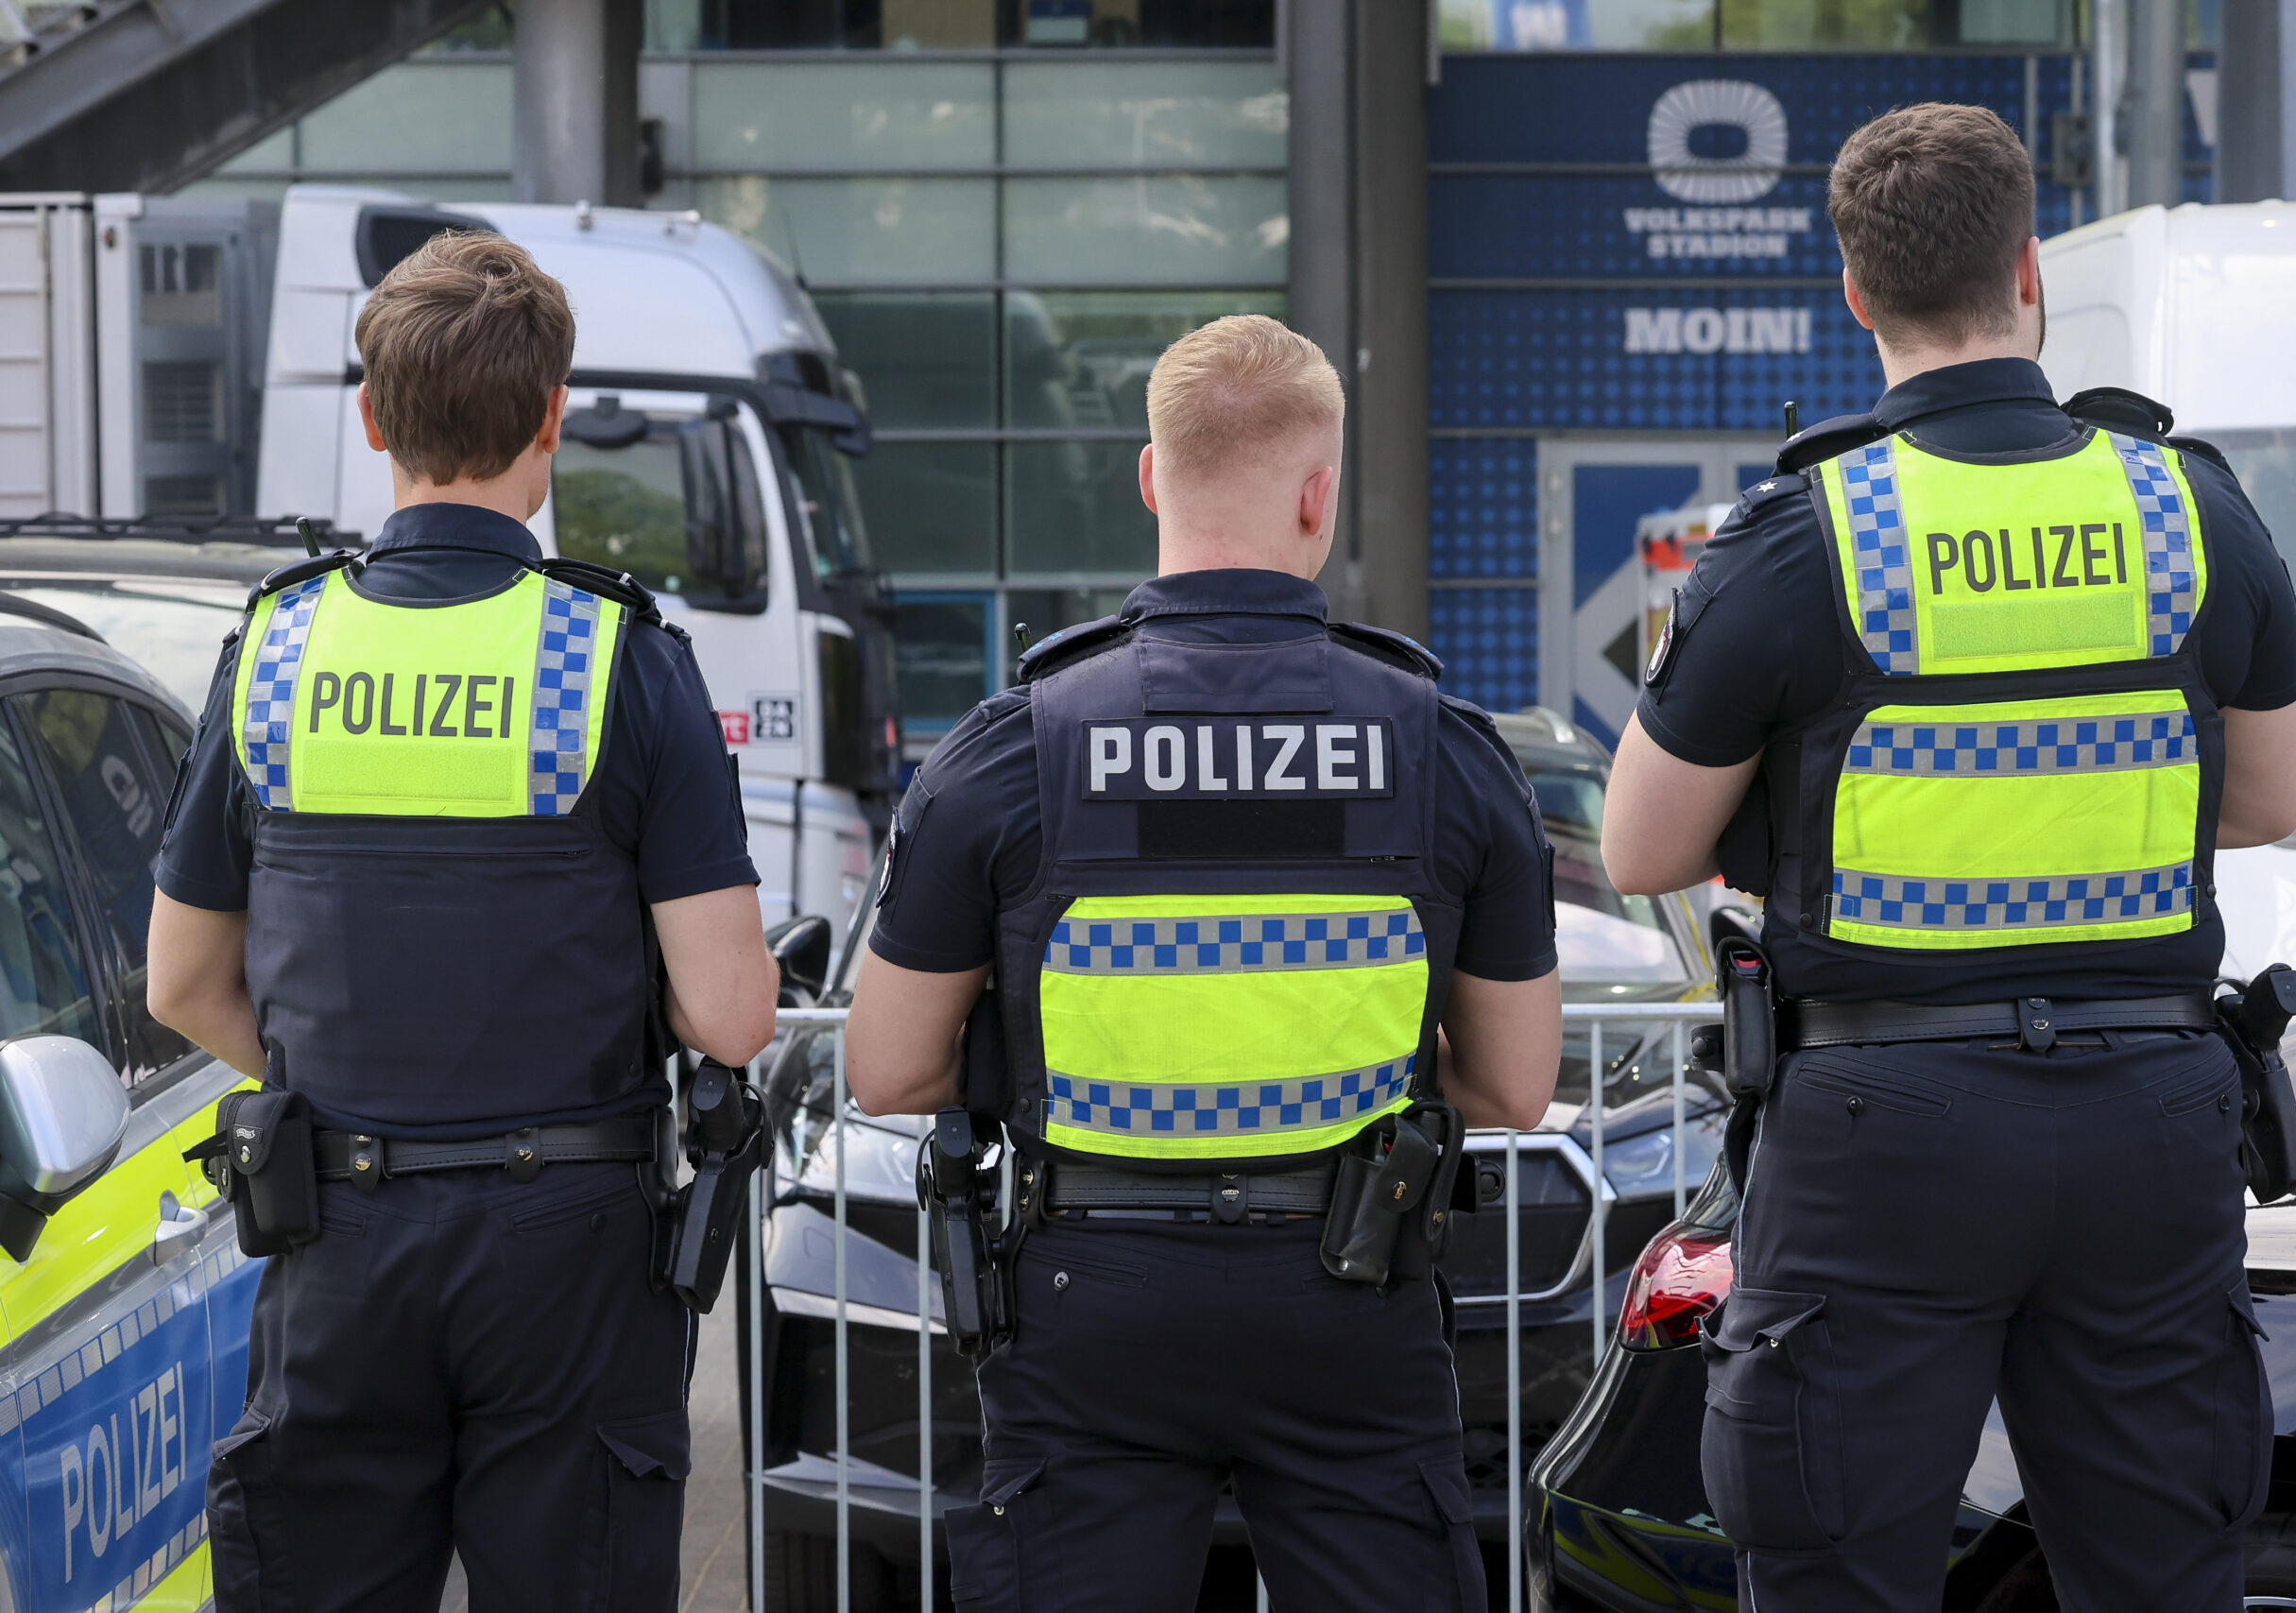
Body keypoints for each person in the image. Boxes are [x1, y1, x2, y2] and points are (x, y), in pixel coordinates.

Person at [1600, 103, 2296, 1613]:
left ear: (1854, 292)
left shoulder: (1804, 535)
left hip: (1882, 1134)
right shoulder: (2189, 506)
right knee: (2170, 1571)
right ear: (2029, 268)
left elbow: (1641, 843)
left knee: (1837, 1568)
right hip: (2149, 1116)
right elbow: (2264, 803)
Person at [847, 314, 1564, 1611]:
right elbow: (1518, 1088)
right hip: (1350, 1288)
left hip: (1088, 1301)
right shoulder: (1441, 748)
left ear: (1147, 477)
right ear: (1319, 492)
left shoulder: (1012, 749)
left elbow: (888, 1069)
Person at [146, 231, 778, 1612]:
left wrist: (343, 1074)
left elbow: (183, 984)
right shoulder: (619, 658)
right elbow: (733, 1014)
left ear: (373, 419)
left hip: (338, 1237)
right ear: (553, 419)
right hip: (568, 1253)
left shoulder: (277, 650)